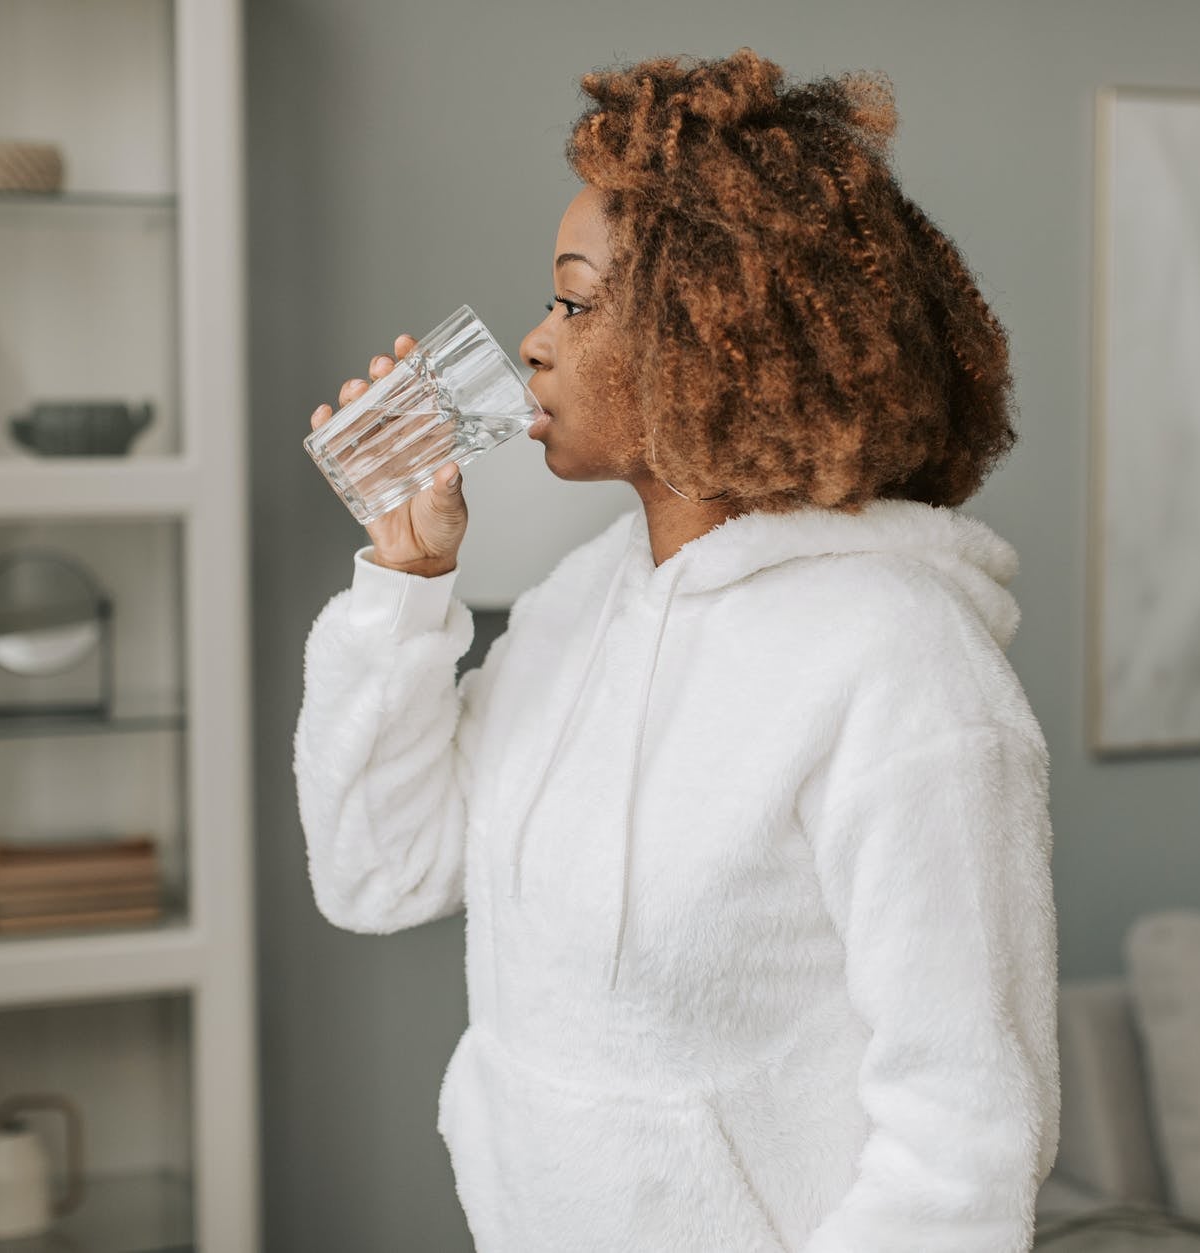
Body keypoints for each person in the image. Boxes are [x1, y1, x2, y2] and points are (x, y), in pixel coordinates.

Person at [293, 46, 1058, 1253]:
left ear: (718, 337)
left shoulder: (905, 664)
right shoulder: (577, 603)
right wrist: (405, 582)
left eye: (576, 301)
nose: (534, 343)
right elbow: (376, 872)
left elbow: (962, 1141)